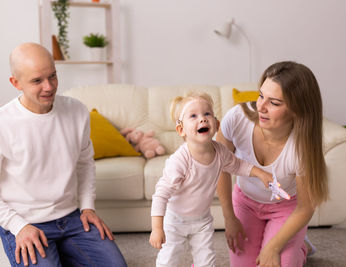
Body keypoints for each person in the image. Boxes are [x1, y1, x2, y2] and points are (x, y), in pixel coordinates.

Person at [0, 43, 127, 267]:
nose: (49, 87)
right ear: (16, 83)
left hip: (72, 219)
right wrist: (19, 226)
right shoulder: (3, 123)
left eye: (53, 76)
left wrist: (88, 207)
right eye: (37, 81)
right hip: (26, 222)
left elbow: (85, 163)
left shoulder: (77, 111)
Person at [216, 61, 328, 267]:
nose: (261, 106)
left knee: (279, 262)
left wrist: (274, 247)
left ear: (297, 109)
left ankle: (297, 246)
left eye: (274, 103)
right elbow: (219, 166)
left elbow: (305, 207)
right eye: (260, 96)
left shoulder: (302, 146)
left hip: (287, 207)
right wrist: (229, 217)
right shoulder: (237, 118)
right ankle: (292, 242)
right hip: (245, 202)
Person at [149, 92, 276, 267]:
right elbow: (160, 195)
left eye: (207, 114)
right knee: (169, 260)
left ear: (216, 124)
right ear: (181, 130)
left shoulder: (221, 152)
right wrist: (157, 228)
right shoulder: (180, 161)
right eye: (193, 116)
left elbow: (239, 165)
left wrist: (261, 174)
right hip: (175, 220)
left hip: (202, 221)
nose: (202, 119)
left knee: (206, 260)